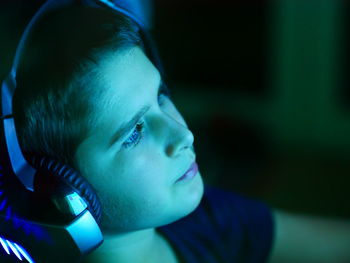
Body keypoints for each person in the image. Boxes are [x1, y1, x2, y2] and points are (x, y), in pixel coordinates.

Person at [8, 3, 350, 263]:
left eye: (161, 96)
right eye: (133, 133)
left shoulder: (213, 219)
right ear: (59, 183)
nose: (183, 135)